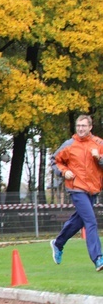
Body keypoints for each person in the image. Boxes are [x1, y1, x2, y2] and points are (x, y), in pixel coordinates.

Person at [50, 114, 103, 271]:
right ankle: (98, 258)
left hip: (93, 189)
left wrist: (99, 158)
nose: (80, 128)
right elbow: (55, 161)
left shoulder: (99, 143)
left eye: (84, 126)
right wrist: (64, 172)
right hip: (76, 188)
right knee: (91, 221)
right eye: (78, 126)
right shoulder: (69, 145)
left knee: (79, 221)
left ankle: (58, 243)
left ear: (90, 127)